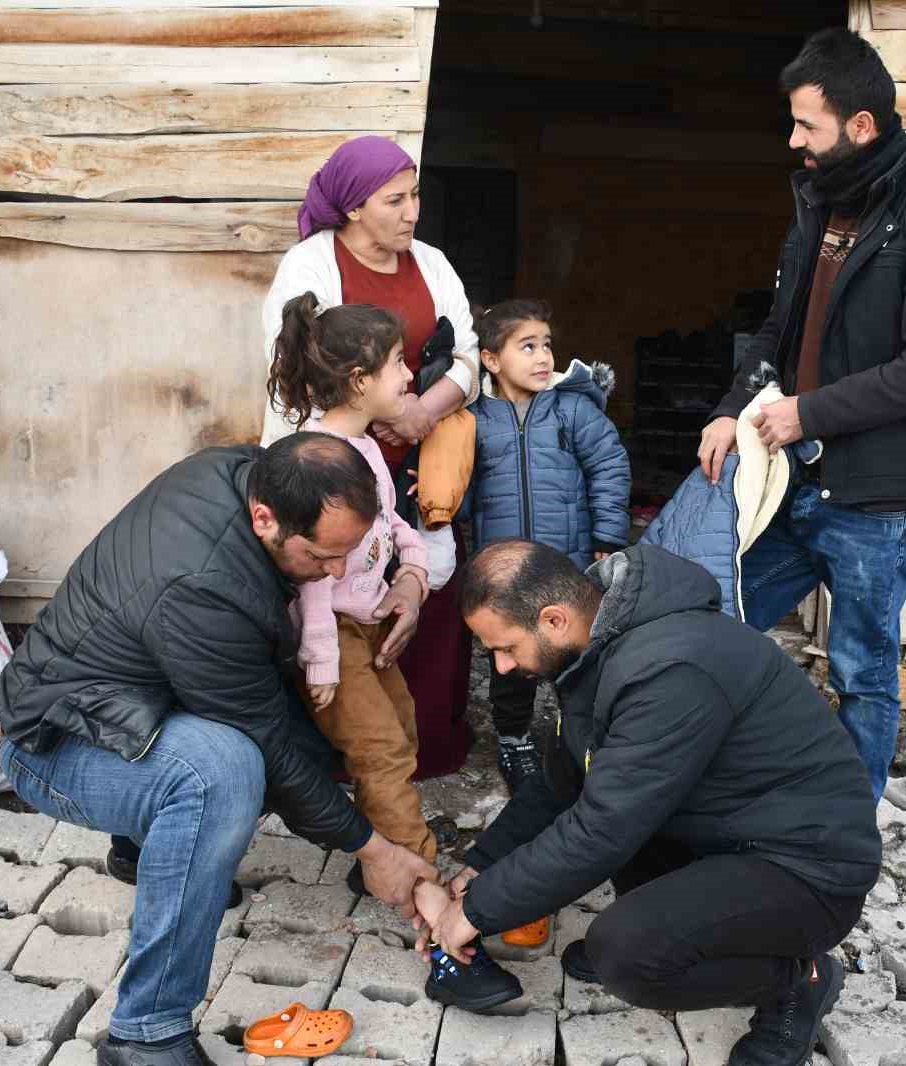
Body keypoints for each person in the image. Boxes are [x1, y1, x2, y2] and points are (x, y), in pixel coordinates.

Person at [0, 434, 439, 1066]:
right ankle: (145, 1031)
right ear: (265, 517)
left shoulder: (245, 469)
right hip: (54, 741)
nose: (335, 573)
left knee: (310, 745)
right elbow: (265, 746)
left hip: (133, 706)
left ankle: (144, 846)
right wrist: (372, 849)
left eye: (347, 556)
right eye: (321, 555)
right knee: (222, 773)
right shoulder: (203, 585)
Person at [416, 541, 881, 1066]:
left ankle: (800, 978)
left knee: (628, 954)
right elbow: (559, 784)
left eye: (505, 648)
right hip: (728, 829)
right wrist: (480, 868)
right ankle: (699, 935)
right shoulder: (596, 648)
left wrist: (473, 914)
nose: (501, 668)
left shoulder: (670, 668)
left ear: (553, 619)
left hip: (808, 866)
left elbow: (601, 830)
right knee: (621, 821)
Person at [697, 27, 906, 803]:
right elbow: (776, 332)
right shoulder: (819, 206)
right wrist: (731, 411)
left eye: (806, 126)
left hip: (880, 498)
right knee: (719, 616)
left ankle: (846, 832)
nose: (793, 142)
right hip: (797, 482)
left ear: (861, 127)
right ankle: (723, 775)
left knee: (862, 672)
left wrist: (807, 414)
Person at [262, 135, 479, 779]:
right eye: (396, 200)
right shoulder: (309, 266)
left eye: (415, 196)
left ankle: (422, 753)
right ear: (354, 207)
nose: (413, 212)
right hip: (337, 466)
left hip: (420, 456)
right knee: (336, 594)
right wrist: (361, 432)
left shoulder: (432, 263)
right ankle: (340, 757)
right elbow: (295, 372)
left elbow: (467, 353)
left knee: (421, 582)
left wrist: (421, 410)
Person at [269, 294, 435, 865]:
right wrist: (320, 658)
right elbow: (311, 575)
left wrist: (414, 566)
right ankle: (417, 873)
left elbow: (389, 522)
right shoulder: (319, 458)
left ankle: (380, 856)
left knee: (402, 731)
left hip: (367, 623)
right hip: (334, 632)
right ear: (361, 381)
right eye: (397, 362)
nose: (410, 373)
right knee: (380, 750)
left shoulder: (365, 445)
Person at [466, 300, 631, 793]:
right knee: (511, 660)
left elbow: (609, 467)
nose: (543, 357)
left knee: (574, 655)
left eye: (547, 345)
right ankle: (515, 740)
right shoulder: (474, 420)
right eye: (528, 346)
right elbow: (459, 487)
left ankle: (576, 739)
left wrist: (607, 537)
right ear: (491, 360)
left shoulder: (572, 408)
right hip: (505, 571)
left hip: (567, 563)